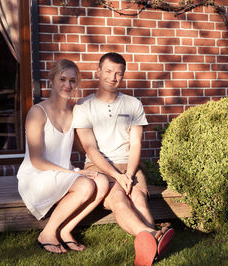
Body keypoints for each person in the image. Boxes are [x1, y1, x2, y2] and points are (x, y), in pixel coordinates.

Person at [73, 52, 174, 265]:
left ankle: (149, 248)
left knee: (138, 199)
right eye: (108, 71)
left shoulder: (133, 105)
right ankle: (153, 235)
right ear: (98, 71)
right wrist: (117, 177)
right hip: (100, 167)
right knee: (119, 199)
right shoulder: (83, 107)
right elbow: (90, 149)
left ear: (123, 76)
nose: (113, 77)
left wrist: (128, 173)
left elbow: (136, 143)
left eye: (118, 73)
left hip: (130, 166)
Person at [17, 59, 109, 254]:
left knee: (101, 182)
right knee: (85, 184)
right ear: (52, 80)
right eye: (63, 79)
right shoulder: (37, 112)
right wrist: (73, 173)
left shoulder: (74, 112)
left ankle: (66, 230)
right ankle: (47, 234)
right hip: (37, 176)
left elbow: (85, 146)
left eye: (73, 81)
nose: (68, 85)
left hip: (62, 173)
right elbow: (37, 161)